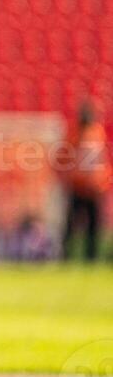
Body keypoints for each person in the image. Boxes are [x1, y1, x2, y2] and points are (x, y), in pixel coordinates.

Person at [59, 98, 109, 262]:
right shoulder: (72, 134)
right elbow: (63, 158)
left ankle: (92, 258)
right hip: (77, 187)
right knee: (70, 225)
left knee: (94, 226)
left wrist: (102, 181)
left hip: (94, 189)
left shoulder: (98, 133)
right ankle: (66, 256)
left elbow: (102, 161)